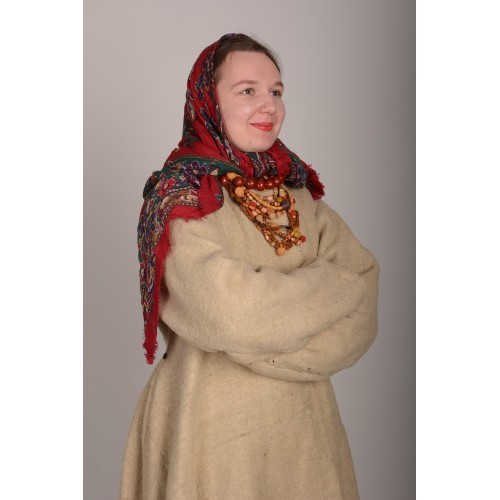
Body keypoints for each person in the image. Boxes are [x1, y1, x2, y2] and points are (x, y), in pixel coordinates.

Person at [120, 33, 379, 500]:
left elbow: (364, 288)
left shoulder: (299, 196)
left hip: (307, 436)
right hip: (209, 432)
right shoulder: (181, 199)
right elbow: (230, 313)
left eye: (276, 91)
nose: (268, 105)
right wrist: (328, 286)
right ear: (209, 102)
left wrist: (262, 341)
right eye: (248, 90)